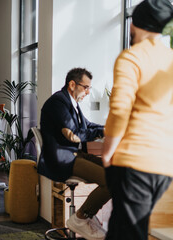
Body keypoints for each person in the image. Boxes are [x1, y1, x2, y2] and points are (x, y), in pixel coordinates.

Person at [102, 0, 173, 239]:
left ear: (134, 23)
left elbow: (120, 109)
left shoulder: (131, 57)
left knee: (125, 235)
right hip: (164, 166)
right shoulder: (170, 59)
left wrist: (107, 152)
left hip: (135, 160)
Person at [38, 68, 109, 240]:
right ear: (72, 84)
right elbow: (74, 135)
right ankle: (81, 218)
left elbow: (87, 126)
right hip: (62, 159)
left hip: (72, 155)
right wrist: (102, 132)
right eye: (85, 87)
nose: (88, 92)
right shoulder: (58, 102)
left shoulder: (71, 103)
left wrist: (107, 129)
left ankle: (87, 217)